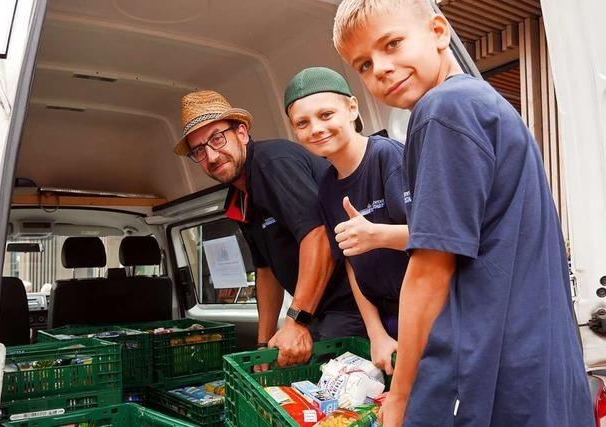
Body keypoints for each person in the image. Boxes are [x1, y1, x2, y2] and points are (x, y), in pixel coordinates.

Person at [332, 1, 593, 426]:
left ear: (438, 31)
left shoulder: (443, 111)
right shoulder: (480, 103)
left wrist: (399, 398)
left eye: (392, 43)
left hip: (488, 372)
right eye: (363, 64)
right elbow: (477, 236)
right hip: (535, 367)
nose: (379, 68)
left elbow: (430, 269)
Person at [174, 90, 365, 368]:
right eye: (199, 151)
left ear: (241, 132)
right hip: (318, 310)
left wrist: (297, 320)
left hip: (350, 304)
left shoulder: (273, 162)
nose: (212, 156)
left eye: (217, 138)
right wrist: (262, 347)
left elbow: (318, 236)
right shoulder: (239, 198)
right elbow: (266, 271)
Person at [283, 66, 408, 376]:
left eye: (326, 115)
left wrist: (377, 235)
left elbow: (438, 237)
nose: (316, 129)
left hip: (433, 310)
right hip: (388, 317)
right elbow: (350, 262)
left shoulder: (387, 157)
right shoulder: (327, 185)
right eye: (303, 123)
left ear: (352, 108)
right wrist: (377, 333)